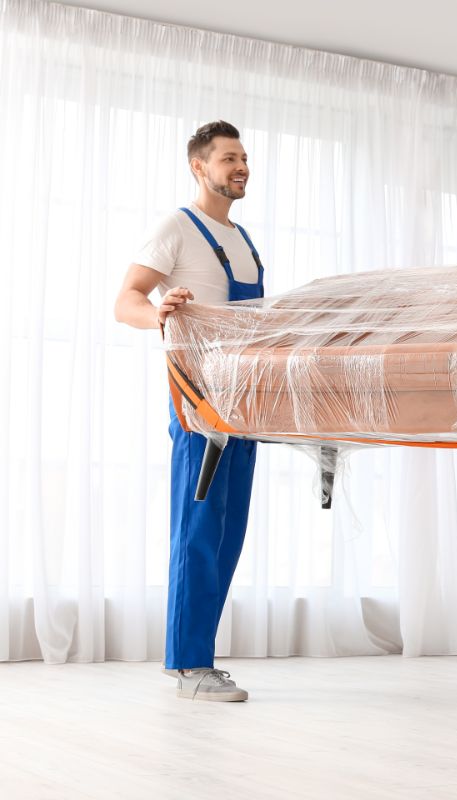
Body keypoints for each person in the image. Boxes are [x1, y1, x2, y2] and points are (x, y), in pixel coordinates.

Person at [114, 121, 264, 702]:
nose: (242, 166)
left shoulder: (244, 241)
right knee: (197, 530)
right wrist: (162, 313)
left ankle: (201, 658)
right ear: (199, 167)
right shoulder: (178, 228)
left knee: (228, 534)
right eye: (229, 158)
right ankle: (187, 665)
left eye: (245, 157)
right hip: (199, 402)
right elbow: (126, 299)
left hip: (245, 404)